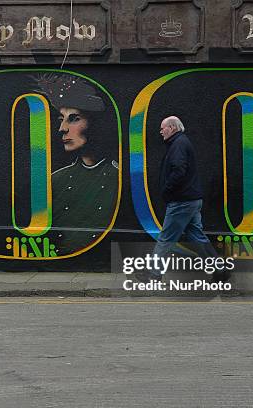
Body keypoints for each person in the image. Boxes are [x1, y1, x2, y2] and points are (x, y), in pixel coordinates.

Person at [134, 116, 225, 283]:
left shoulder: (178, 145)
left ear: (173, 128)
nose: (161, 131)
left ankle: (153, 275)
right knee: (197, 237)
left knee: (166, 238)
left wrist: (167, 189)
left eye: (163, 128)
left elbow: (179, 170)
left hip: (182, 202)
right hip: (192, 200)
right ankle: (220, 270)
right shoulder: (181, 142)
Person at [35, 74, 118, 255]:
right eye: (61, 119)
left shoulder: (119, 177)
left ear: (95, 122)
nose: (62, 128)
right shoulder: (57, 180)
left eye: (73, 119)